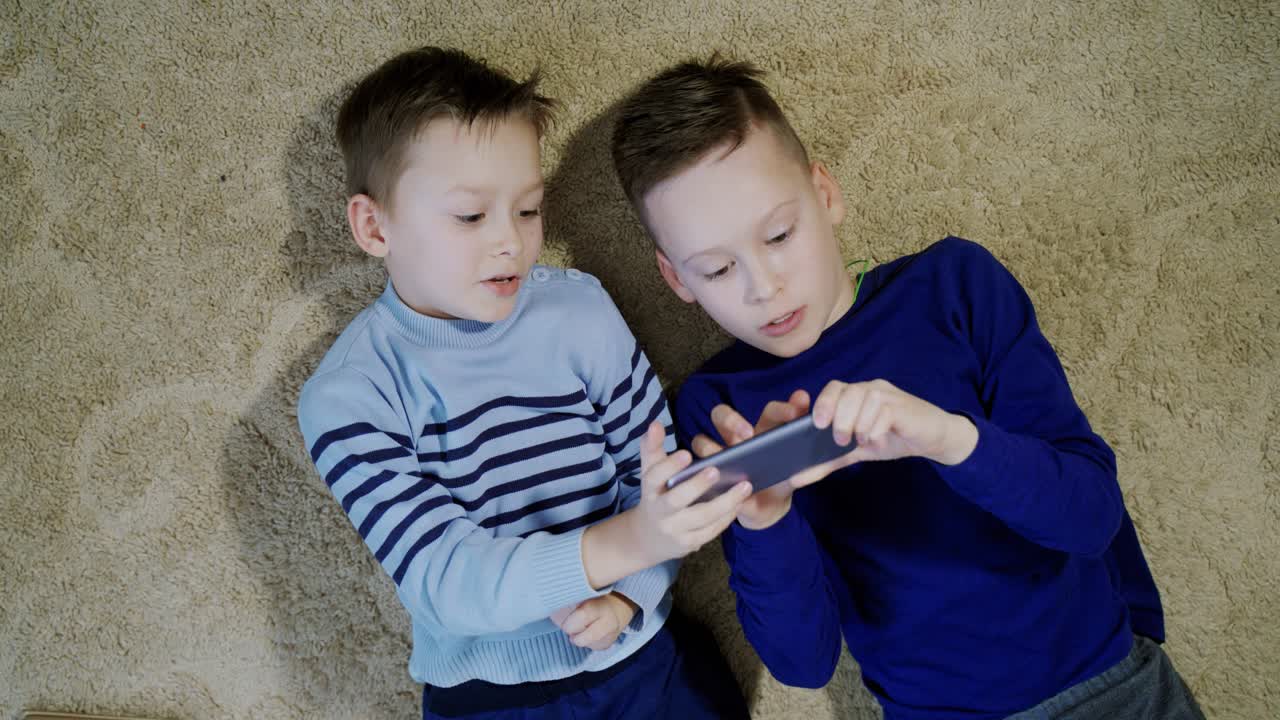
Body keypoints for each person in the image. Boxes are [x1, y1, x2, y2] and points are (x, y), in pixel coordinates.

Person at [608, 53, 1205, 720]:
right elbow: (803, 664)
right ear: (677, 279)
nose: (763, 287)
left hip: (1107, 681)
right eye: (718, 270)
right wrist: (767, 519)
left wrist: (947, 438)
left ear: (825, 195)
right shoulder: (721, 407)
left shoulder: (952, 285)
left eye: (779, 234)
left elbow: (1091, 516)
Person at [296, 46, 749, 720]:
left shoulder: (579, 312)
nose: (511, 241)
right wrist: (630, 543)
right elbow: (446, 581)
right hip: (489, 694)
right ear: (373, 226)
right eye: (470, 216)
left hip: (638, 650)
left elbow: (654, 475)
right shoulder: (349, 396)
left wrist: (631, 591)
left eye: (529, 210)